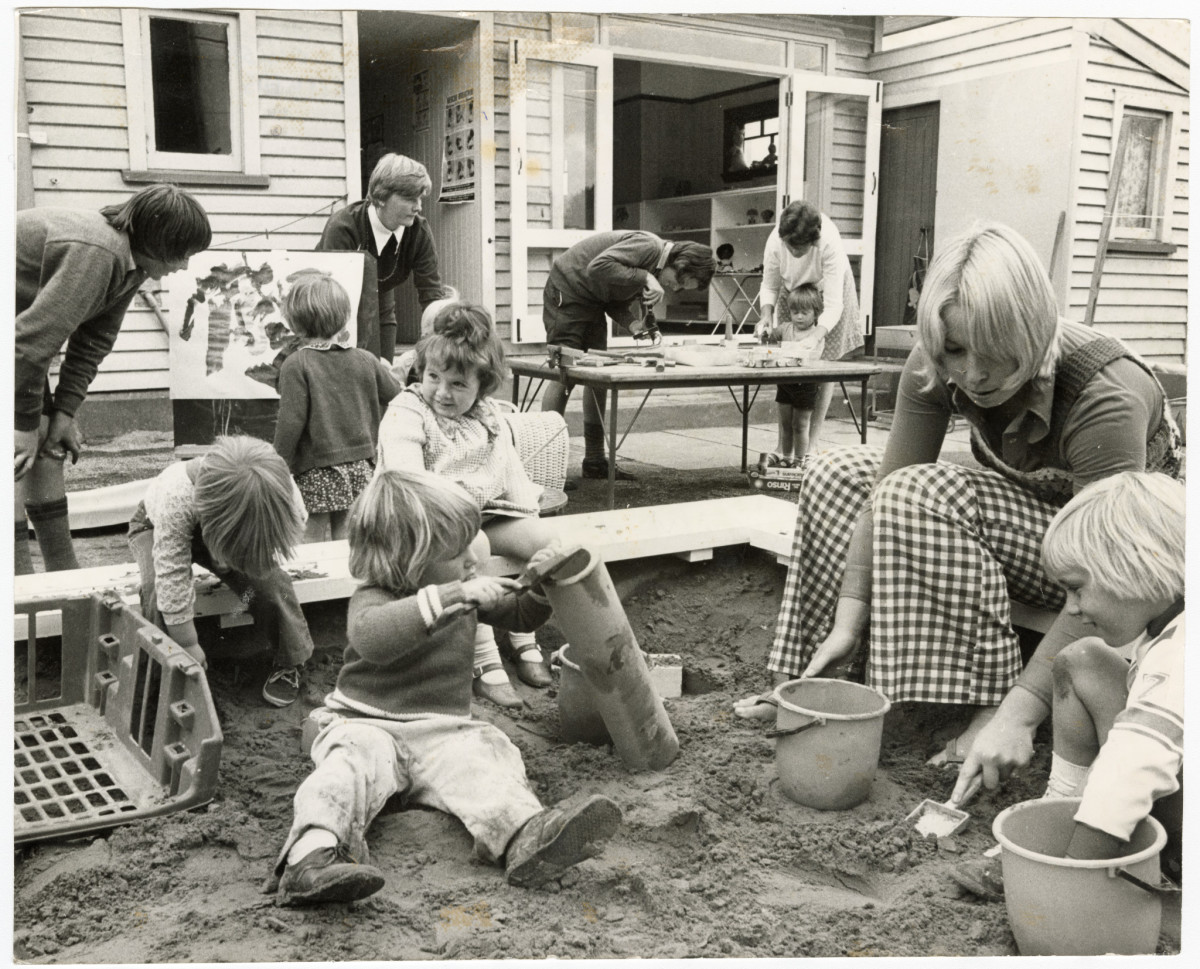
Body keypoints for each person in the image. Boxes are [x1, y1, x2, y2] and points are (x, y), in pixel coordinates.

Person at [733, 222, 1184, 778]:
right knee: (837, 472)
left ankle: (990, 701)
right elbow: (880, 495)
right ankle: (820, 677)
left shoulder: (1103, 392)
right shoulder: (937, 363)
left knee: (924, 493)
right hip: (1043, 522)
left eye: (995, 353)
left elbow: (1107, 572)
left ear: (1033, 330)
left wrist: (1021, 716)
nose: (972, 373)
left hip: (1132, 563)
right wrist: (849, 619)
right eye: (954, 350)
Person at [265, 470, 621, 905]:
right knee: (341, 774)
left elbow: (521, 616)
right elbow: (372, 639)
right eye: (457, 550)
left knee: (487, 755)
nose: (474, 557)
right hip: (366, 724)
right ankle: (310, 859)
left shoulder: (459, 591)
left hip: (443, 733)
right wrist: (455, 596)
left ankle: (526, 835)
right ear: (409, 562)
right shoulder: (376, 596)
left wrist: (543, 582)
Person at [951, 472, 1184, 899]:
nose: (1071, 610)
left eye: (1077, 589)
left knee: (1124, 769)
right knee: (1080, 660)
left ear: (1139, 566)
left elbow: (1130, 770)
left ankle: (1073, 854)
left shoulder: (1183, 651)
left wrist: (1066, 873)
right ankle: (1058, 804)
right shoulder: (1167, 622)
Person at [15, 184, 212, 574]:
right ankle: (17, 579)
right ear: (158, 243)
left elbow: (92, 343)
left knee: (50, 447)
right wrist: (21, 427)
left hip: (18, 342)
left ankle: (62, 572)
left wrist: (65, 414)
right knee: (18, 455)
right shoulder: (98, 252)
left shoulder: (131, 266)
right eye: (183, 254)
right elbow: (28, 345)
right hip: (18, 344)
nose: (185, 266)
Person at [376, 302, 554, 708]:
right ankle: (483, 657)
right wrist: (457, 523)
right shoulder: (407, 411)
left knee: (551, 541)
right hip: (423, 519)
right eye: (433, 377)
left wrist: (530, 513)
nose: (442, 392)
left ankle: (524, 638)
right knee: (476, 547)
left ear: (483, 386)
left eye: (458, 384)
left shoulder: (488, 416)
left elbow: (510, 473)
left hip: (483, 513)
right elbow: (408, 482)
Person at [128, 435, 315, 708]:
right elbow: (172, 576)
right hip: (155, 526)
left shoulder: (281, 490)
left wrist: (246, 557)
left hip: (230, 524)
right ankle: (165, 678)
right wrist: (188, 643)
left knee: (271, 585)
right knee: (157, 593)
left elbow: (291, 526)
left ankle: (291, 660)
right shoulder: (176, 496)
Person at [540, 232, 716, 481]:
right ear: (679, 264)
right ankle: (545, 467)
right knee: (564, 372)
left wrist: (633, 324)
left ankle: (594, 460)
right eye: (678, 282)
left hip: (592, 300)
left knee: (596, 376)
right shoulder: (648, 246)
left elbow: (611, 296)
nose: (673, 288)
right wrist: (645, 277)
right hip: (567, 291)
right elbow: (597, 267)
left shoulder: (653, 268)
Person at [272, 271, 403, 542]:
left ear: (295, 322)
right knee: (348, 534)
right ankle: (346, 581)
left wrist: (278, 462)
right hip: (361, 464)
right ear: (344, 317)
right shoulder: (366, 359)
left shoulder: (296, 364)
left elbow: (291, 421)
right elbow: (398, 396)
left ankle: (314, 582)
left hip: (317, 467)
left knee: (312, 532)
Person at [753, 200, 864, 461]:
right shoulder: (775, 242)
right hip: (792, 290)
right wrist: (766, 315)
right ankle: (784, 447)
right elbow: (769, 285)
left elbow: (834, 304)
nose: (793, 251)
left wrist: (815, 336)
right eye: (789, 245)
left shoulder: (829, 242)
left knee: (822, 366)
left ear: (813, 242)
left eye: (798, 247)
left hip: (828, 290)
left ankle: (812, 445)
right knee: (786, 357)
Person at [316, 153, 447, 362]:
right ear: (381, 196)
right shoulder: (343, 228)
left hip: (381, 301)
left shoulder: (418, 232)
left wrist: (440, 341)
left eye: (420, 198)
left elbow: (431, 294)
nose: (418, 206)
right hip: (330, 306)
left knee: (382, 371)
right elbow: (331, 302)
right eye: (410, 198)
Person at [760, 282, 829, 468]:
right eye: (794, 312)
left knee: (800, 424)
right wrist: (765, 333)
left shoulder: (816, 334)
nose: (798, 317)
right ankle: (786, 457)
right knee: (785, 424)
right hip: (785, 383)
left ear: (816, 313)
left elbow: (814, 356)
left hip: (805, 384)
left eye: (804, 313)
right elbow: (770, 337)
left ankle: (799, 460)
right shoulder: (785, 328)